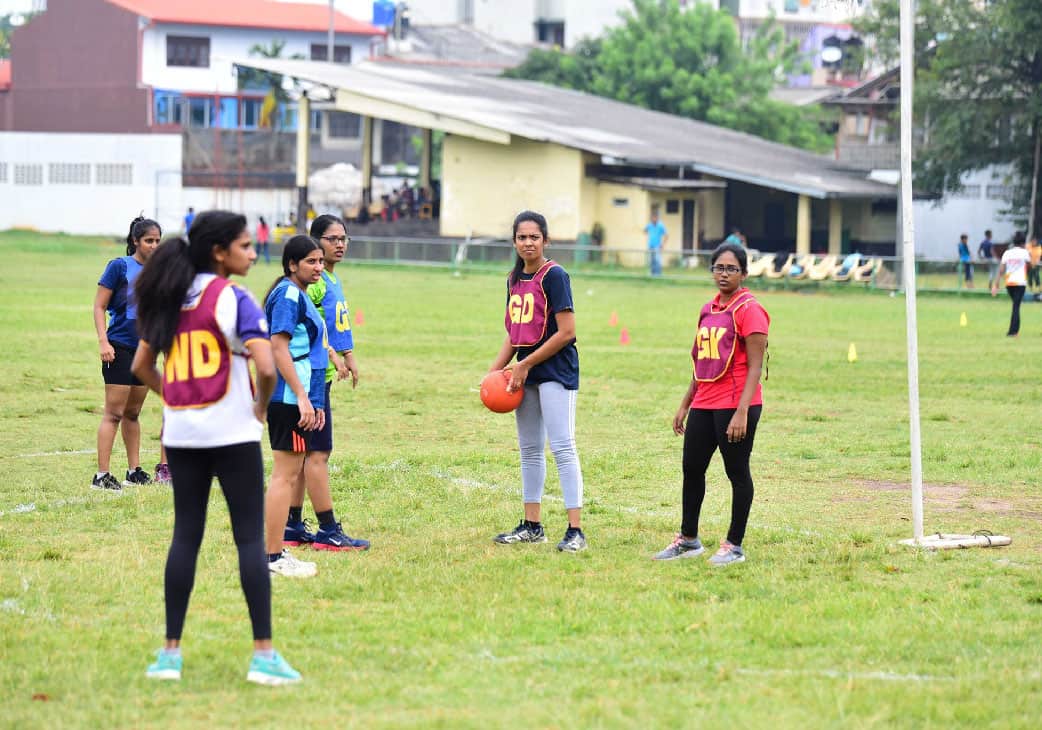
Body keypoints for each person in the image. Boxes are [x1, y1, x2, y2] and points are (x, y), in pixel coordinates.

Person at [130, 210, 302, 685]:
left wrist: (174, 397)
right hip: (232, 433)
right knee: (249, 537)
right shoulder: (234, 299)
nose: (252, 253)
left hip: (182, 435)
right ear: (219, 253)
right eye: (245, 246)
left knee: (186, 535)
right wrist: (261, 408)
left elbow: (143, 365)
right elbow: (266, 369)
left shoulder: (167, 295)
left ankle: (169, 655)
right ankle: (264, 656)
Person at [653, 242, 769, 566]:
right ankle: (688, 540)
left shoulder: (750, 309)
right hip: (704, 400)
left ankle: (734, 545)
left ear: (744, 273)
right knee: (692, 468)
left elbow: (756, 367)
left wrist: (742, 411)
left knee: (736, 471)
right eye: (719, 267)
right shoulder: (708, 309)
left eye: (732, 268)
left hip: (735, 404)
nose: (724, 273)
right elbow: (702, 362)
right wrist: (685, 403)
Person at [489, 210, 587, 553]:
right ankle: (532, 525)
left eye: (534, 237)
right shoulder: (514, 279)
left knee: (562, 445)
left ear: (546, 240)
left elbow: (568, 332)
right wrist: (494, 371)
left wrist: (525, 364)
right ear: (514, 241)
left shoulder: (555, 276)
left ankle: (575, 531)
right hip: (524, 372)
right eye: (521, 237)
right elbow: (514, 335)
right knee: (530, 450)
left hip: (555, 370)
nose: (528, 243)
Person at [282, 215, 369, 552]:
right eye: (332, 238)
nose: (340, 244)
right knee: (317, 453)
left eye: (344, 238)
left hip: (322, 374)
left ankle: (292, 523)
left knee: (306, 452)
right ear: (315, 241)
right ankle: (328, 530)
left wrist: (348, 355)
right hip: (314, 376)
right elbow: (310, 326)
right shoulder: (315, 282)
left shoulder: (331, 278)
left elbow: (333, 326)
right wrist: (332, 354)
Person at [263, 236, 328, 577]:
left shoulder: (296, 293)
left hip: (293, 397)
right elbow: (278, 349)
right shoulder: (288, 295)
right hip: (288, 399)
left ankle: (275, 552)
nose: (318, 267)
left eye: (320, 261)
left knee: (286, 474)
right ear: (292, 265)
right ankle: (273, 557)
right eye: (311, 262)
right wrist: (303, 396)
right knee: (284, 476)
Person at [92, 216, 168, 491]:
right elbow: (99, 306)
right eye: (149, 240)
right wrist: (104, 342)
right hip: (119, 348)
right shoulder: (119, 267)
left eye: (158, 241)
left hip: (144, 352)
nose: (154, 246)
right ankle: (101, 476)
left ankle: (133, 470)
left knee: (133, 413)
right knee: (114, 413)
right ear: (135, 241)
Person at [993, 231, 1031, 337]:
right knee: (1016, 307)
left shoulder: (1007, 253)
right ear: (1023, 243)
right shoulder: (1024, 253)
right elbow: (1030, 265)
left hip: (1009, 283)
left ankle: (1013, 331)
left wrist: (996, 284)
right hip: (1020, 283)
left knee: (1015, 305)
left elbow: (1001, 270)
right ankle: (1013, 332)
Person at [644, 208, 667, 277]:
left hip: (658, 245)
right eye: (651, 218)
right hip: (650, 245)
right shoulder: (649, 225)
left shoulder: (661, 225)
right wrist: (644, 230)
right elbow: (645, 230)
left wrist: (662, 245)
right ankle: (652, 273)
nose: (652, 219)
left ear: (657, 218)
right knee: (651, 260)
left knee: (658, 260)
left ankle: (658, 274)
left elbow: (666, 235)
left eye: (654, 218)